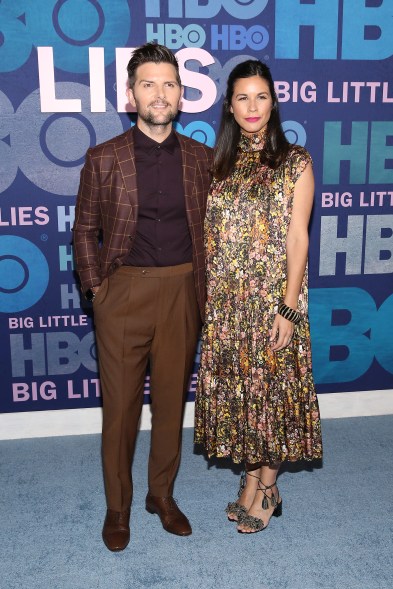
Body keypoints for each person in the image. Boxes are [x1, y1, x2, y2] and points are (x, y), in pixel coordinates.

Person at [73, 42, 212, 550]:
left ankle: (162, 496)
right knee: (122, 411)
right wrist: (98, 290)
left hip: (183, 292)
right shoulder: (104, 157)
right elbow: (85, 231)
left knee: (172, 405)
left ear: (182, 94)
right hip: (123, 294)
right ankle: (118, 507)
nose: (160, 93)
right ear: (131, 94)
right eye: (149, 84)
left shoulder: (203, 160)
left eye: (170, 84)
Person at [194, 60, 322, 533]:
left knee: (270, 395)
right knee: (244, 397)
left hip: (273, 303)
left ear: (273, 102)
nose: (252, 106)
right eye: (242, 97)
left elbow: (298, 239)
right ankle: (251, 479)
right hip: (228, 306)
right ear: (229, 106)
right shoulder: (216, 165)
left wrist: (289, 307)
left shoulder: (296, 161)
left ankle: (268, 487)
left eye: (261, 96)